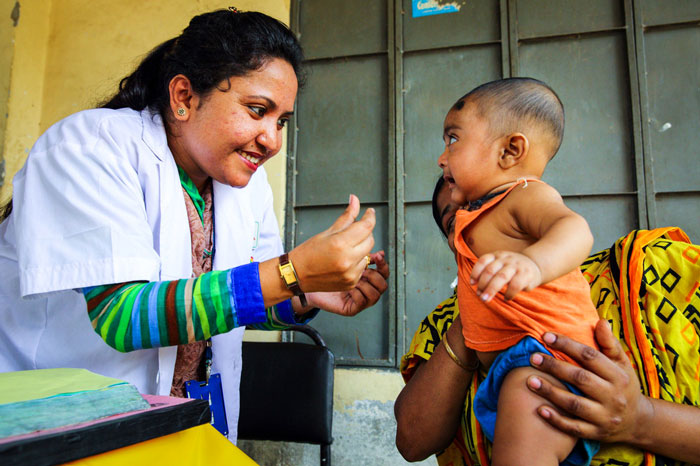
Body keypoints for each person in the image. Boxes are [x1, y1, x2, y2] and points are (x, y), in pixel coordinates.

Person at [0, 9, 389, 443]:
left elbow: (236, 302)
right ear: (183, 96)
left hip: (190, 420)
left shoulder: (245, 184)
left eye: (280, 120)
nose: (273, 140)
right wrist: (289, 273)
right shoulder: (92, 147)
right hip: (64, 425)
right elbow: (122, 316)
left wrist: (305, 292)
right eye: (257, 110)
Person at [395, 178, 700, 464]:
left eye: (482, 203)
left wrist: (640, 419)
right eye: (454, 222)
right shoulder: (444, 326)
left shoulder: (653, 270)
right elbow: (411, 442)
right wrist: (479, 314)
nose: (470, 221)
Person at [438, 77, 600, 464]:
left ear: (511, 150)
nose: (442, 158)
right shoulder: (477, 214)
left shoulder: (525, 194)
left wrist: (533, 263)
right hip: (515, 367)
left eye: (453, 139)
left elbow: (576, 229)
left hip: (548, 362)